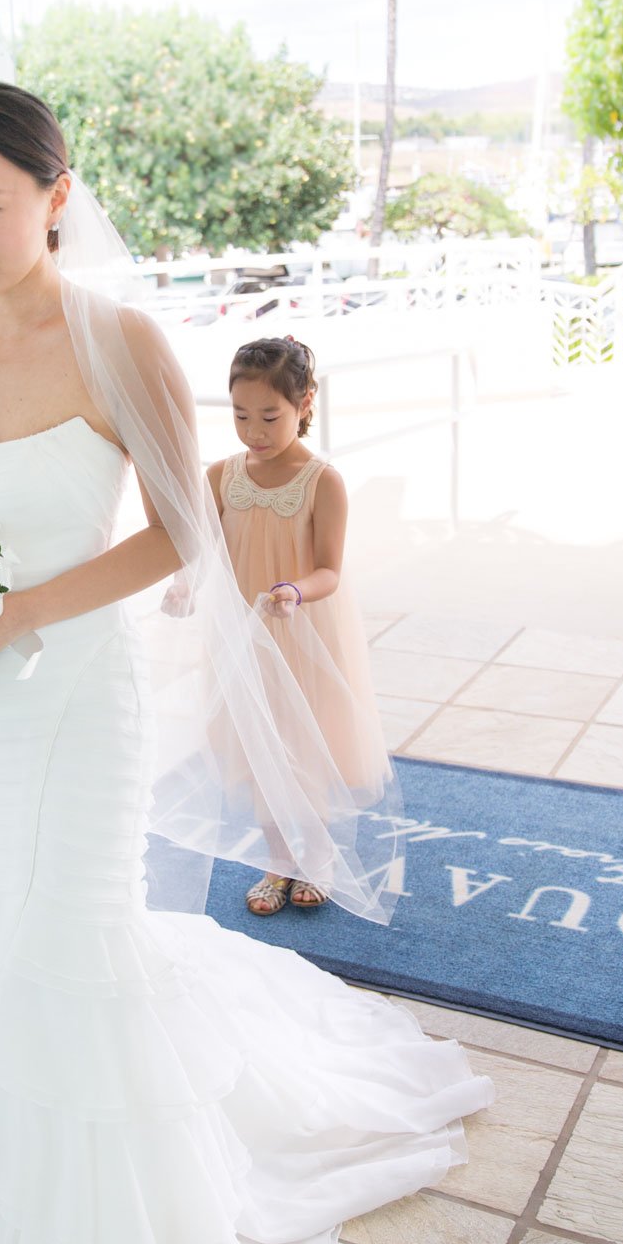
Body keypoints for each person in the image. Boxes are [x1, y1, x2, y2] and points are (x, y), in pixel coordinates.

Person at [0, 79, 493, 1244]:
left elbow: (181, 532)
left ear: (56, 194)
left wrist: (15, 616)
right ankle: (14, 1185)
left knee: (73, 950)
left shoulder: (122, 342)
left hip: (74, 704)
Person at [209, 336, 391, 919]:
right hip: (244, 637)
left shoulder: (321, 481)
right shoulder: (221, 476)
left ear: (305, 403)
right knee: (260, 747)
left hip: (303, 633)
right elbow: (201, 547)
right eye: (241, 415)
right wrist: (188, 584)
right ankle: (278, 860)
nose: (254, 431)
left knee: (303, 748)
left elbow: (329, 570)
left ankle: (317, 856)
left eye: (270, 416)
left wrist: (293, 590)